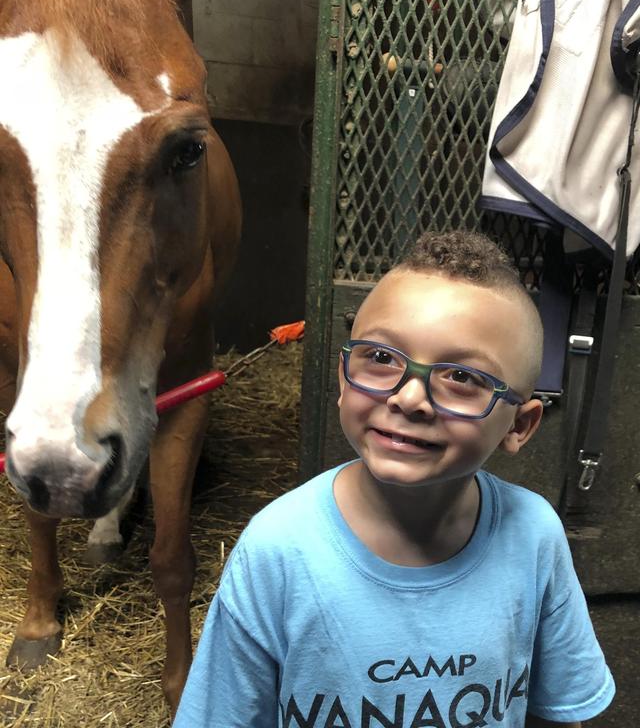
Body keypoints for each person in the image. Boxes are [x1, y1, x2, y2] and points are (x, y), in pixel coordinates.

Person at [173, 230, 615, 728]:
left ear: (519, 425)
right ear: (343, 381)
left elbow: (559, 712)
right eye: (381, 358)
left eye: (463, 377)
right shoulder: (278, 550)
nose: (408, 398)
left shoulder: (534, 535)